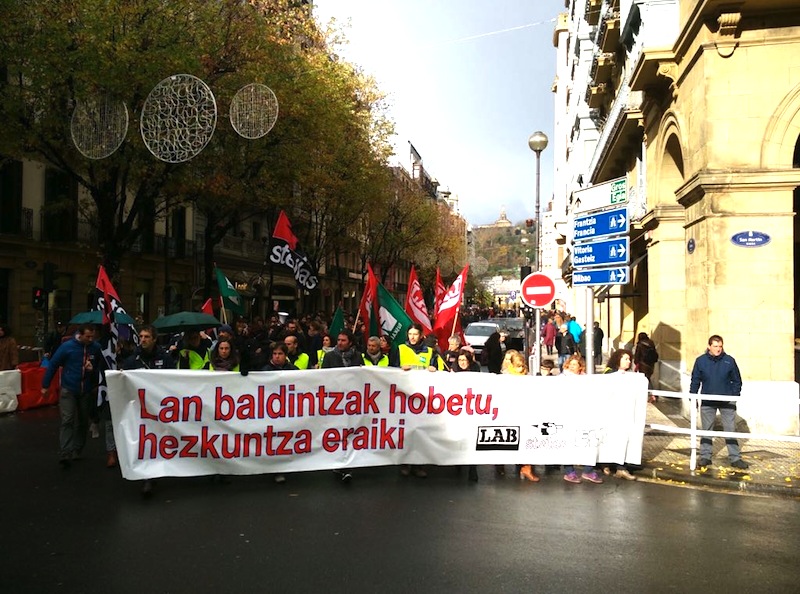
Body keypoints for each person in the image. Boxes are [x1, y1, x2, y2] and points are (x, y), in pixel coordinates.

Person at [122, 325, 176, 496]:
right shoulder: (132, 360)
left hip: (160, 409)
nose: (143, 340)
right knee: (146, 440)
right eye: (141, 336)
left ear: (154, 339)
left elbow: (174, 380)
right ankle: (148, 477)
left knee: (159, 440)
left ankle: (158, 468)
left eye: (146, 337)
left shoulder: (165, 359)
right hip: (141, 410)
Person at [41, 324, 103, 469]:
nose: (90, 339)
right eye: (87, 336)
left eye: (92, 337)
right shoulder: (67, 347)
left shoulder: (95, 348)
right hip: (69, 388)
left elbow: (100, 368)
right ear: (79, 335)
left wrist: (92, 372)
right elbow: (53, 365)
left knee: (82, 420)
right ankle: (65, 452)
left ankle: (77, 448)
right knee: (67, 419)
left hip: (86, 390)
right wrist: (45, 385)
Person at [690, 335, 748, 469]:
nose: (718, 349)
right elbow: (695, 381)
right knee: (707, 430)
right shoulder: (700, 361)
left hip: (727, 402)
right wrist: (693, 398)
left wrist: (734, 396)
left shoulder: (729, 361)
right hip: (708, 401)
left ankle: (735, 458)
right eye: (715, 346)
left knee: (730, 430)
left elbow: (737, 380)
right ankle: (705, 457)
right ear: (709, 346)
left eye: (720, 346)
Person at [321, 330, 363, 483]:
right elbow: (323, 377)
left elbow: (363, 376)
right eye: (338, 340)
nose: (339, 343)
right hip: (336, 400)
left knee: (351, 432)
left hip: (352, 401)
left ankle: (348, 466)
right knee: (338, 431)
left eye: (343, 340)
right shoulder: (330, 356)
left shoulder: (357, 356)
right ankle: (339, 461)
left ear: (350, 342)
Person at [560, 354, 603, 484]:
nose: (572, 367)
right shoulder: (562, 378)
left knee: (588, 441)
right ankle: (569, 472)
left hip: (584, 416)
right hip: (567, 415)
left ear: (580, 367)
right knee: (568, 443)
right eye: (570, 364)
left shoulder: (586, 379)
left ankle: (588, 470)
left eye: (575, 364)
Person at [600, 349, 637, 481]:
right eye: (625, 359)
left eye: (629, 359)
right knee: (611, 439)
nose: (628, 362)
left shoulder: (631, 376)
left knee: (624, 439)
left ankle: (620, 467)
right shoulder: (609, 373)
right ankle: (607, 463)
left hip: (625, 414)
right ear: (618, 359)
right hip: (611, 414)